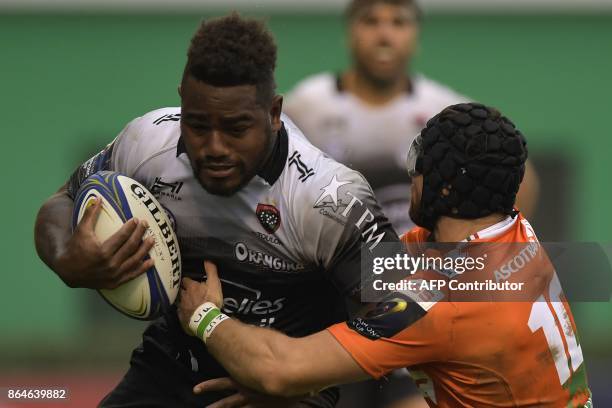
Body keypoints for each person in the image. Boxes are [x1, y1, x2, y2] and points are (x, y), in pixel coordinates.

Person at [33, 13, 400, 407]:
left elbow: (405, 311)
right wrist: (66, 257)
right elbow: (62, 200)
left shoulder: (328, 197)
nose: (214, 148)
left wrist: (292, 376)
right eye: (197, 125)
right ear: (181, 103)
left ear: (274, 114)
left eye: (236, 128)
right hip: (172, 367)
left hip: (290, 393)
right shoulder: (146, 143)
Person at [178, 103, 592, 408]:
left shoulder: (439, 302)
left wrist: (206, 318)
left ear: (444, 190)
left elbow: (277, 370)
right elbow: (379, 264)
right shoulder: (517, 235)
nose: (412, 175)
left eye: (418, 163)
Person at [284, 0, 539, 234]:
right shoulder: (306, 106)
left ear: (415, 36)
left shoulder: (445, 110)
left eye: (399, 22)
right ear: (350, 33)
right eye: (370, 21)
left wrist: (485, 246)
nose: (384, 35)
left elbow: (521, 178)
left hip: (416, 274)